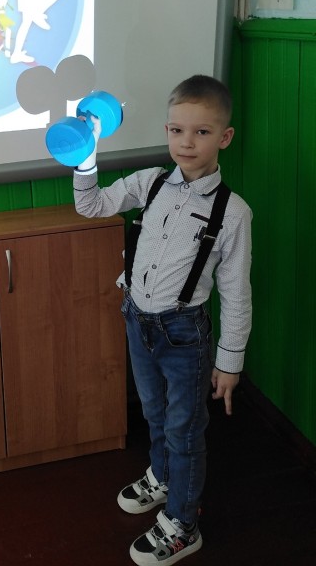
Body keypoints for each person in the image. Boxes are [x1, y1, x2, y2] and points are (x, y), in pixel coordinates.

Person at [73, 75, 252, 565]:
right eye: (176, 130)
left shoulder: (233, 212)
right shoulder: (150, 181)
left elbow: (237, 293)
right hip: (138, 320)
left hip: (184, 334)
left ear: (224, 137)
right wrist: (85, 156)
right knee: (154, 412)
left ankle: (183, 524)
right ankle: (163, 476)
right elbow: (90, 204)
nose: (186, 143)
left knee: (184, 430)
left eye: (201, 132)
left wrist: (229, 361)